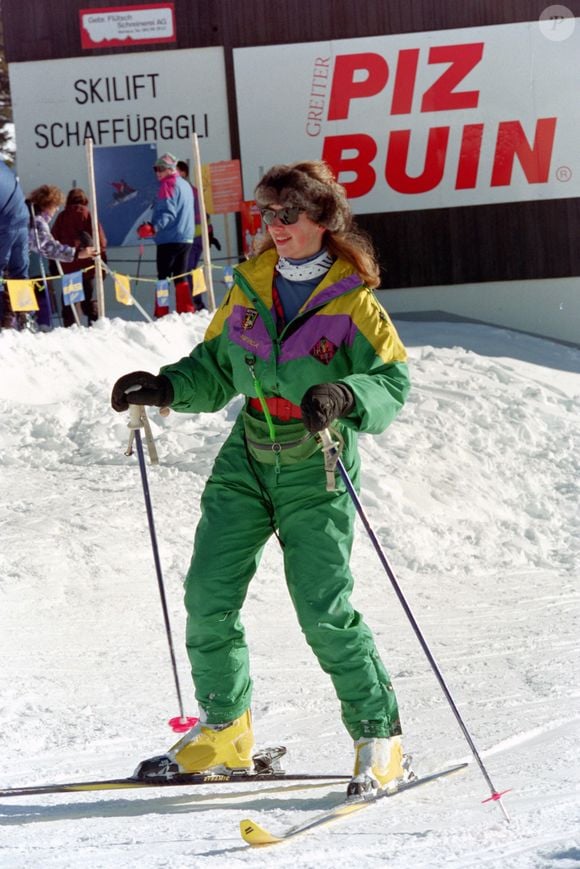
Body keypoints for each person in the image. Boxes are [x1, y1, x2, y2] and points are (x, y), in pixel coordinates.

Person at [112, 160, 411, 798]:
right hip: (248, 453)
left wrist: (345, 394)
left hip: (317, 461)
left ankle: (378, 737)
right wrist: (166, 386)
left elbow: (391, 382)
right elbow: (217, 366)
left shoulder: (354, 301)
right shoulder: (248, 285)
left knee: (322, 609)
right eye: (266, 215)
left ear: (324, 220)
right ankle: (224, 729)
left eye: (288, 214)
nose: (274, 226)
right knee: (207, 595)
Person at [27, 185, 96, 330]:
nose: (57, 209)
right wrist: (77, 253)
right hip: (80, 263)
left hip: (65, 267)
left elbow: (54, 236)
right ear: (48, 204)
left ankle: (64, 325)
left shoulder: (36, 217)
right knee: (86, 300)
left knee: (67, 301)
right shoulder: (38, 221)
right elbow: (48, 246)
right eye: (55, 206)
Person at [138, 153, 194, 317]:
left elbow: (168, 212)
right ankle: (186, 311)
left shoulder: (167, 185)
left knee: (163, 277)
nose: (158, 173)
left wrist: (153, 228)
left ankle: (162, 311)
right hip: (186, 237)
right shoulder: (185, 185)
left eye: (161, 169)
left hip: (169, 238)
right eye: (156, 169)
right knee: (180, 275)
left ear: (170, 169)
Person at [50, 187, 107, 327]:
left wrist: (52, 263)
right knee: (88, 298)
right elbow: (100, 241)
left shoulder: (62, 217)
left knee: (69, 300)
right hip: (87, 265)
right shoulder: (89, 215)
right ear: (84, 200)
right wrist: (103, 261)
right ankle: (95, 324)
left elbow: (53, 240)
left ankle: (70, 328)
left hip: (68, 264)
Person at [175, 160, 221, 312]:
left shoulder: (186, 190)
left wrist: (209, 232)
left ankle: (196, 304)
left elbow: (198, 214)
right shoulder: (190, 190)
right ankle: (194, 303)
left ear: (183, 172)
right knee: (189, 270)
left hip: (193, 237)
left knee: (188, 270)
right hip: (194, 237)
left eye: (174, 171)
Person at [0, 159, 29, 329]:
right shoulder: (3, 166)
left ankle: (5, 319)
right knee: (19, 272)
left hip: (5, 224)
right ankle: (24, 316)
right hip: (21, 219)